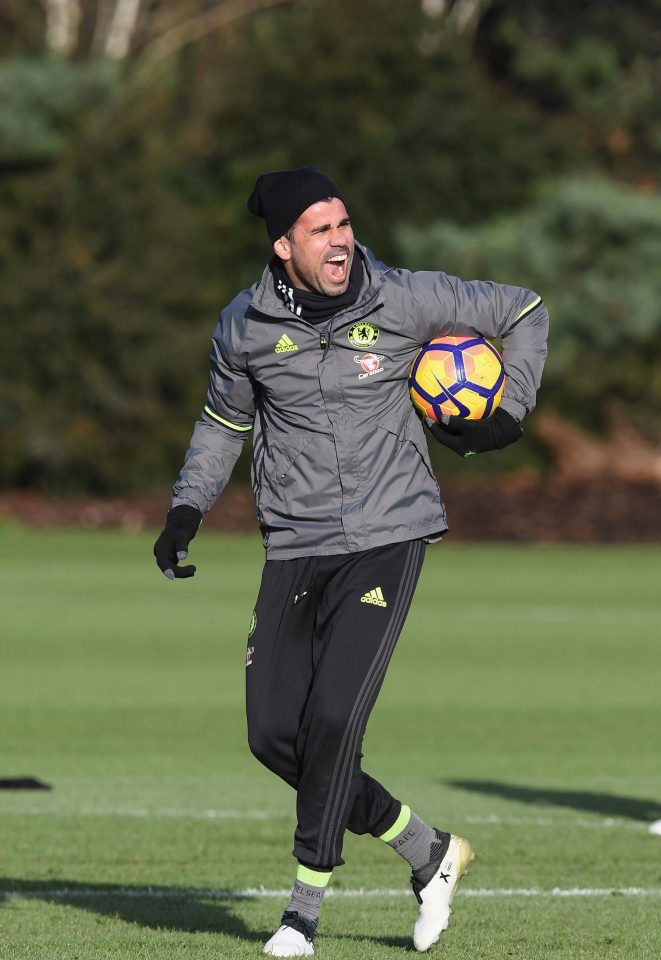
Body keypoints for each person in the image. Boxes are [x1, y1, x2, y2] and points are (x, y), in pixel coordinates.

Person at [153, 165, 549, 956]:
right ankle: (427, 852)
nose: (341, 241)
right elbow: (220, 427)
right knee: (274, 737)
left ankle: (302, 910)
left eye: (343, 224)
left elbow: (523, 309)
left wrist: (508, 414)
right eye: (320, 230)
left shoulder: (403, 297)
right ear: (282, 246)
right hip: (295, 546)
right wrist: (185, 508)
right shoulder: (243, 327)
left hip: (386, 536)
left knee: (334, 721)